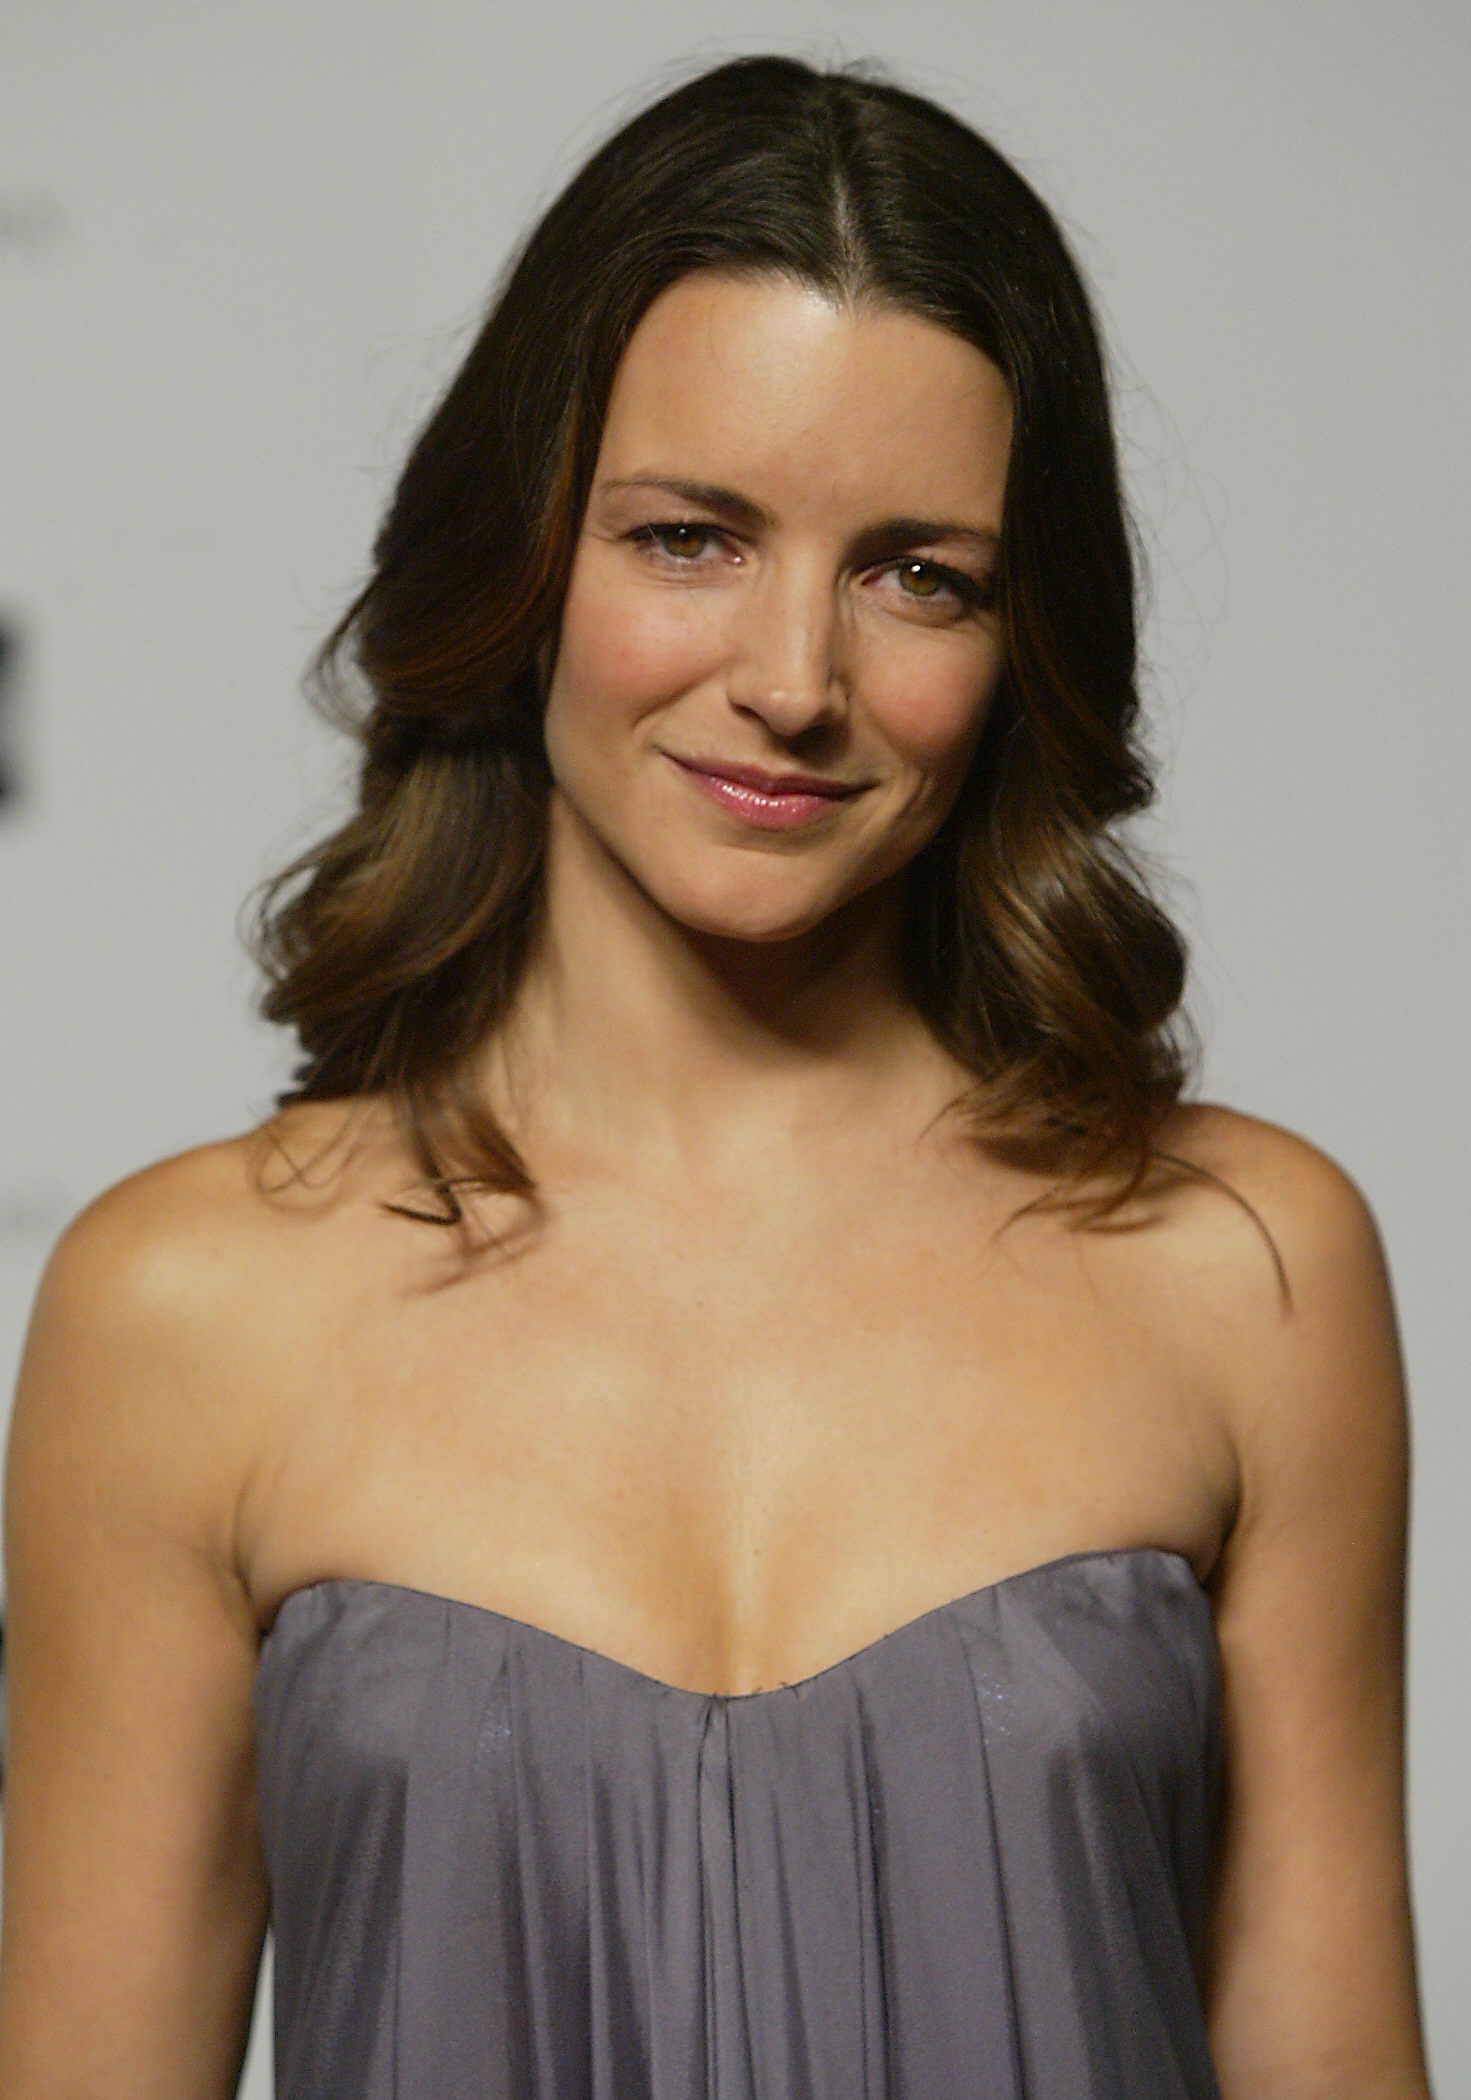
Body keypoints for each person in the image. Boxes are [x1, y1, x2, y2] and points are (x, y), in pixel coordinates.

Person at [0, 52, 1432, 2100]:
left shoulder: (1241, 1272)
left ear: (1019, 638)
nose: (792, 679)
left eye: (917, 574)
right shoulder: (184, 1313)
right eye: (690, 536)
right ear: (522, 558)